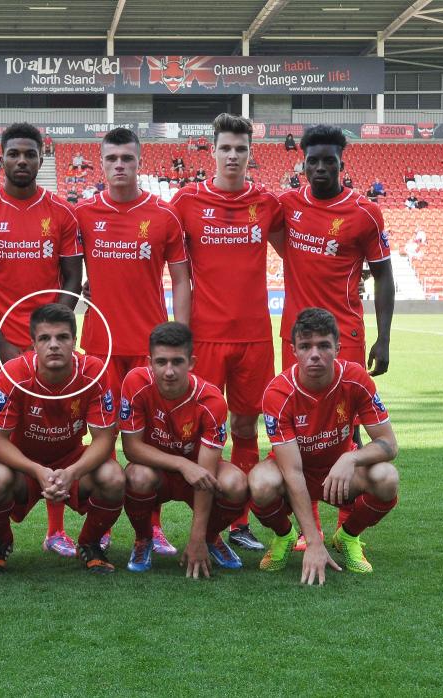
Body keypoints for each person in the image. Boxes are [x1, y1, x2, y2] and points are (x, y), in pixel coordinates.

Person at [0, 122, 83, 560]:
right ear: (1, 158)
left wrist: (53, 333)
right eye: (14, 154)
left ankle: (56, 531)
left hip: (47, 343)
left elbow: (72, 276)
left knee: (54, 428)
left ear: (41, 159)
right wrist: (1, 343)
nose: (22, 161)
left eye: (30, 154)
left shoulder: (62, 213)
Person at [170, 112, 284, 553]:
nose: (233, 155)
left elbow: (295, 250)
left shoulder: (267, 204)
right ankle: (174, 522)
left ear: (250, 154)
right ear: (212, 151)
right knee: (194, 427)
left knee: (244, 423)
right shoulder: (185, 201)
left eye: (241, 149)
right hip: (204, 336)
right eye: (225, 148)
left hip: (254, 335)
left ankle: (238, 522)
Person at [75, 126, 191, 555]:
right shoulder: (83, 214)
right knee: (99, 442)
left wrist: (181, 334)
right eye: (112, 159)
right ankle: (99, 528)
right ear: (100, 162)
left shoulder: (163, 215)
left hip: (151, 351)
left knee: (150, 444)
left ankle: (151, 529)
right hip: (100, 348)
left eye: (127, 159)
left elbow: (181, 278)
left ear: (140, 162)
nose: (119, 166)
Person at [278, 124, 394, 547]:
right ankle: (310, 533)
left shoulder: (365, 213)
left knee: (351, 429)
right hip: (296, 335)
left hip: (345, 334)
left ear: (343, 163)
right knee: (298, 429)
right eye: (314, 160)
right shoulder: (287, 205)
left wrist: (384, 338)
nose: (322, 167)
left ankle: (349, 533)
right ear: (302, 164)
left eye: (330, 160)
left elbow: (383, 275)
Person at [249, 308, 399, 583]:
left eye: (323, 346)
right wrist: (314, 543)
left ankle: (347, 536)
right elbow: (292, 472)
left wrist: (350, 459)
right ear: (293, 350)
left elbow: (389, 444)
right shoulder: (278, 393)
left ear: (338, 348)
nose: (314, 354)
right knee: (260, 482)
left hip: (338, 475)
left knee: (387, 478)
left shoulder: (356, 379)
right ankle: (286, 536)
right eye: (305, 346)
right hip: (295, 472)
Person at [0, 304, 126, 575]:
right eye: (45, 338)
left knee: (114, 477)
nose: (54, 345)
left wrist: (71, 472)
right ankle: (0, 544)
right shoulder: (13, 373)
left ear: (74, 341)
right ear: (33, 343)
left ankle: (90, 544)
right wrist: (37, 471)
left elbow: (104, 439)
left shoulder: (94, 372)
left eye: (62, 337)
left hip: (70, 458)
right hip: (24, 462)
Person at [121, 322, 249, 575]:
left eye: (177, 362)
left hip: (199, 469)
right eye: (161, 362)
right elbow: (132, 449)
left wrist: (197, 538)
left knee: (236, 483)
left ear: (191, 362)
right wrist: (182, 463)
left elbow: (204, 473)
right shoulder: (135, 382)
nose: (169, 371)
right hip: (158, 471)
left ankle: (210, 538)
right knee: (136, 475)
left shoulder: (211, 400)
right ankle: (144, 539)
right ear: (149, 362)